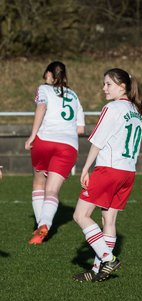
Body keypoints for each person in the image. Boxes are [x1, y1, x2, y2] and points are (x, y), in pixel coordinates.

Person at [73, 67, 142, 282]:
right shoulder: (136, 111)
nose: (103, 88)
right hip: (128, 172)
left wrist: (86, 168)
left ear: (122, 87)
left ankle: (107, 258)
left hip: (109, 170)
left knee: (80, 215)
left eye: (108, 84)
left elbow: (98, 140)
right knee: (108, 219)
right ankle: (98, 271)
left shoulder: (112, 108)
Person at [25, 61, 85, 244]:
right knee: (52, 190)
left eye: (46, 76)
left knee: (38, 183)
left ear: (50, 75)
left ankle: (40, 226)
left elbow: (41, 108)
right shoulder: (74, 95)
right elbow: (81, 129)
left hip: (45, 141)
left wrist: (32, 135)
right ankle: (45, 224)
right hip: (68, 146)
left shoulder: (44, 89)